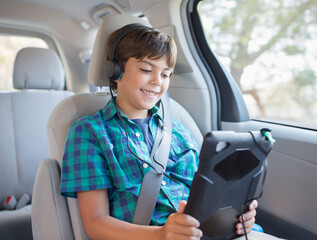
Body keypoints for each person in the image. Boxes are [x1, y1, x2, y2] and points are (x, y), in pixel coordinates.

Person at [60, 24, 278, 240]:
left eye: (166, 74)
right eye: (146, 70)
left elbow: (205, 194)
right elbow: (95, 223)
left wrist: (236, 216)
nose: (157, 81)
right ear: (115, 71)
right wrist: (162, 234)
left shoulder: (178, 130)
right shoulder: (89, 132)